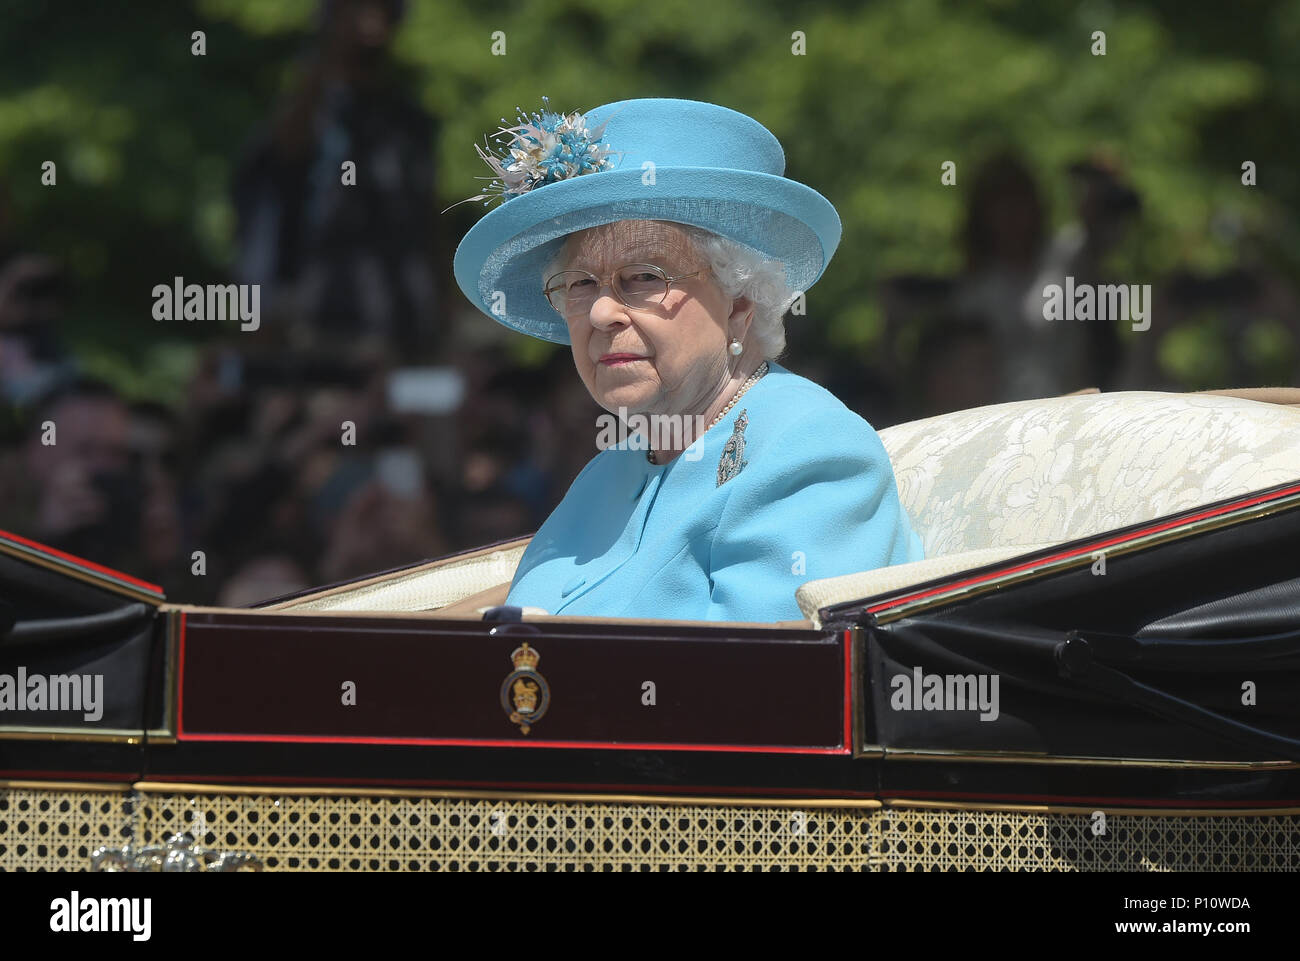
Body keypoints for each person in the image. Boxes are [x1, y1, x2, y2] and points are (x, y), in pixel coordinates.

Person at [451, 98, 924, 621]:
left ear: (739, 306)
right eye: (581, 284)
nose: (603, 311)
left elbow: (765, 682)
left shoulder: (810, 452)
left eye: (645, 277)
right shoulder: (607, 472)